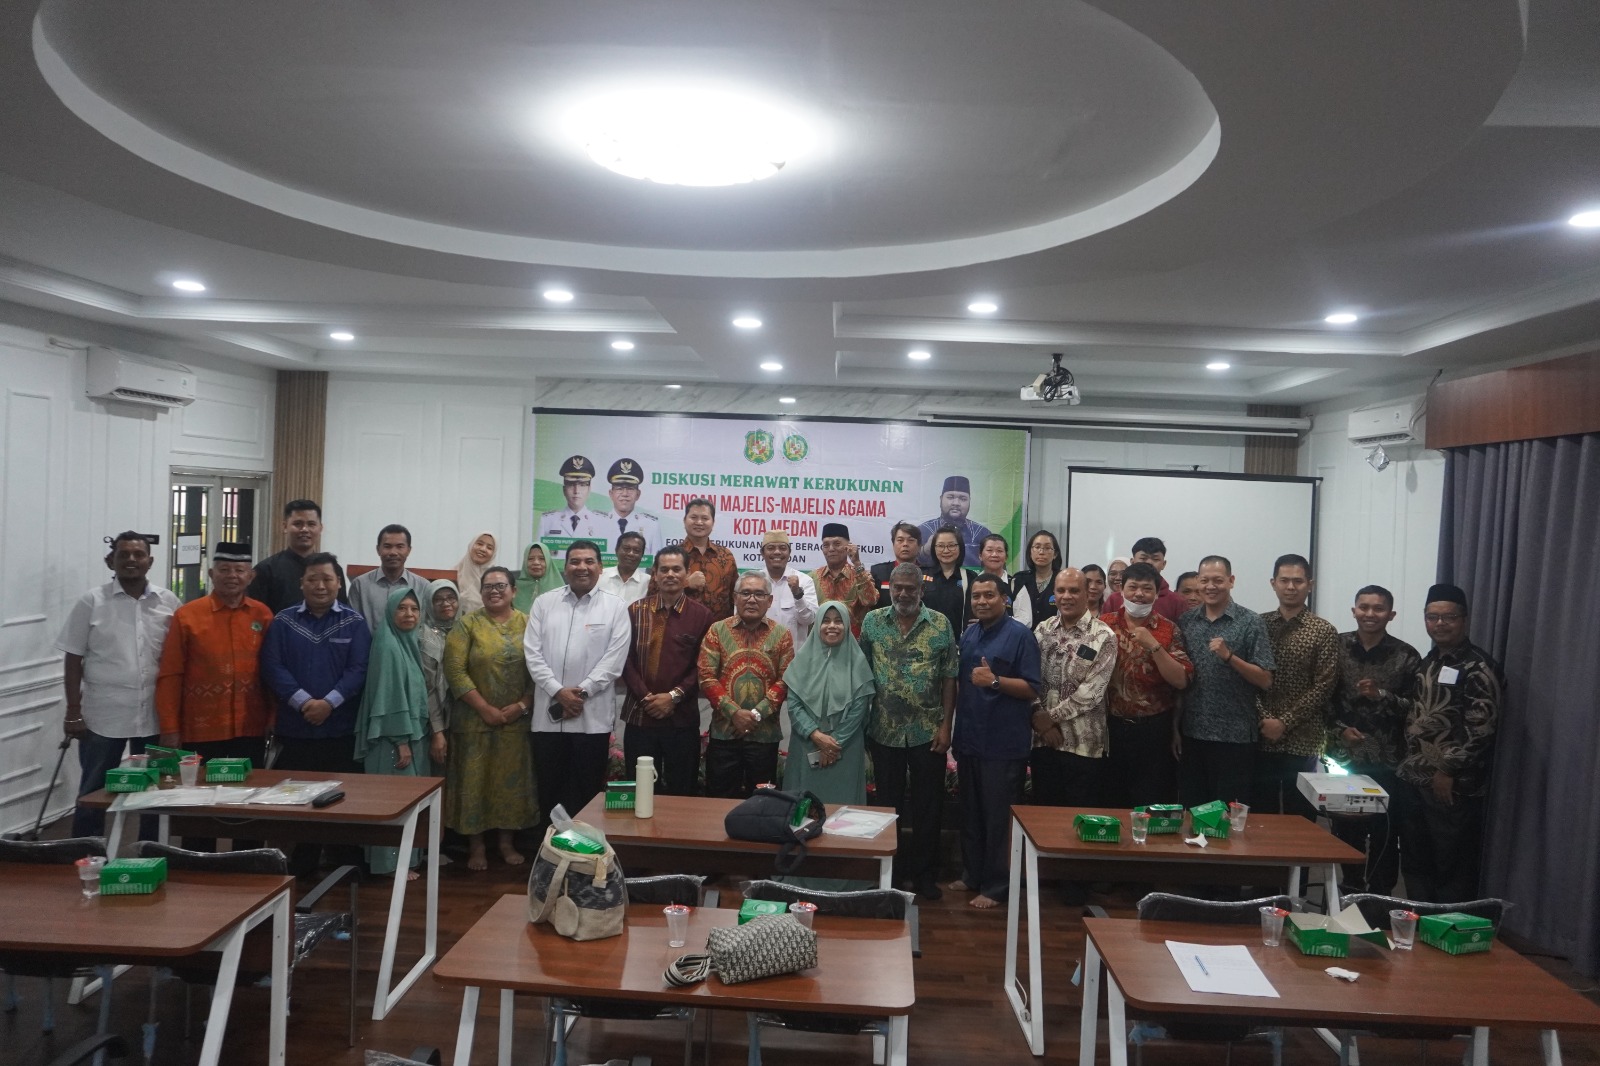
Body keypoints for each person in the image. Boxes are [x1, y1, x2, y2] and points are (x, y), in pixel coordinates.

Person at [59, 531, 180, 836]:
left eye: (138, 554)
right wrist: (73, 711)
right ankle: (86, 850)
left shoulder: (168, 602)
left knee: (155, 789)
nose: (131, 560)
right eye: (123, 554)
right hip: (103, 715)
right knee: (94, 789)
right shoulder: (91, 601)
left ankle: (149, 849)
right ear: (110, 560)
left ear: (150, 561)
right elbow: (73, 659)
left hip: (156, 715)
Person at [259, 552, 372, 876]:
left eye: (327, 579)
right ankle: (300, 864)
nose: (320, 586)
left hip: (340, 729)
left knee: (343, 797)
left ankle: (345, 863)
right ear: (302, 583)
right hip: (296, 729)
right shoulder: (283, 622)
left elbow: (359, 669)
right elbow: (272, 666)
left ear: (339, 583)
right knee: (297, 798)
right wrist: (304, 702)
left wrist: (329, 704)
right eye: (313, 579)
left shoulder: (354, 622)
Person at [1394, 584, 1503, 903]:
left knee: (1452, 865)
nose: (1440, 624)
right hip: (1414, 779)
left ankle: (1447, 927)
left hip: (1451, 786)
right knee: (1415, 861)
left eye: (1449, 617)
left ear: (1464, 620)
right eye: (1432, 617)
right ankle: (1419, 920)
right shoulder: (1429, 662)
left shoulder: (1478, 666)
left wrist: (1447, 769)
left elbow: (1482, 726)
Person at [861, 563, 959, 901]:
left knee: (928, 806)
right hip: (883, 729)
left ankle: (925, 875)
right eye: (898, 588)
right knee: (887, 806)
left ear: (922, 590)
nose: (903, 594)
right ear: (890, 588)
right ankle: (890, 872)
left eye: (910, 588)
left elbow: (949, 678)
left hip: (927, 731)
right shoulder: (873, 622)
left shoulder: (940, 624)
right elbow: (861, 672)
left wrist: (946, 726)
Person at [949, 572, 1041, 909]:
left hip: (1003, 744)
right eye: (976, 596)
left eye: (989, 595)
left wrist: (995, 681)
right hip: (970, 739)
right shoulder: (970, 634)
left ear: (1004, 599)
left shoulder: (1020, 636)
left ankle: (998, 886)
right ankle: (972, 875)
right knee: (971, 814)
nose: (982, 601)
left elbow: (1032, 688)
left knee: (999, 819)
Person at [525, 539, 631, 820]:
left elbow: (614, 660)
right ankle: (550, 847)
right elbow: (532, 654)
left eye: (589, 561)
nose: (581, 567)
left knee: (586, 796)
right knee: (549, 793)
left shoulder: (616, 607)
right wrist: (558, 692)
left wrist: (581, 693)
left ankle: (584, 848)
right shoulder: (544, 603)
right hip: (548, 721)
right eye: (575, 561)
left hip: (591, 721)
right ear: (565, 567)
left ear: (600, 567)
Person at [1327, 584, 1420, 895]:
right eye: (1364, 607)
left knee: (1385, 830)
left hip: (1388, 759)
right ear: (1353, 611)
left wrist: (1382, 695)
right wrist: (1339, 730)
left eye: (1378, 608)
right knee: (1345, 827)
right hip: (1344, 755)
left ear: (1391, 614)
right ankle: (1349, 887)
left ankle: (1380, 894)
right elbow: (1323, 697)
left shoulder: (1407, 655)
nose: (1370, 614)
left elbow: (1416, 709)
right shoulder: (1335, 646)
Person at [443, 564, 538, 870]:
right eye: (488, 587)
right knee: (475, 784)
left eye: (501, 586)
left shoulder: (529, 624)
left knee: (509, 784)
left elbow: (540, 670)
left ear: (514, 591)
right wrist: (485, 708)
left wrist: (522, 705)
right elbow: (455, 671)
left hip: (516, 722)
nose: (494, 591)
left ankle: (506, 843)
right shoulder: (467, 624)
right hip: (474, 721)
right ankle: (476, 846)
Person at [156, 541, 275, 766]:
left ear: (251, 576)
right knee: (198, 786)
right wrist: (169, 727)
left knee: (250, 785)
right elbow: (171, 674)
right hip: (200, 730)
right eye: (224, 569)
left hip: (251, 727)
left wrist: (273, 717)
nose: (232, 576)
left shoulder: (263, 615)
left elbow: (272, 671)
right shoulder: (187, 616)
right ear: (211, 574)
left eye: (239, 570)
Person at [1174, 555, 1275, 808]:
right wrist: (1175, 727)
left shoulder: (1251, 622)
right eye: (1204, 580)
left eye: (1218, 580)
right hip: (1193, 733)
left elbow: (1265, 680)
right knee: (1193, 811)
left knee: (1229, 816)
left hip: (1235, 737)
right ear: (1198, 581)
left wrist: (1230, 657)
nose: (1211, 586)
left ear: (1231, 581)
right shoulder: (1186, 621)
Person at [1251, 554, 1340, 819]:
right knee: (1260, 813)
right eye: (1284, 580)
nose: (1291, 587)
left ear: (1310, 585)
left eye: (1298, 581)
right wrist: (1265, 719)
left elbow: (1324, 685)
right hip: (1260, 734)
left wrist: (1284, 722)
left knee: (1300, 815)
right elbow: (1247, 678)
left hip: (1304, 738)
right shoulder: (1257, 625)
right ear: (1273, 583)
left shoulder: (1324, 630)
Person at [620, 545, 713, 796]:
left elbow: (704, 665)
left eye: (676, 569)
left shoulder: (702, 616)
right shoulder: (635, 611)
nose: (670, 574)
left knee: (681, 793)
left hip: (681, 720)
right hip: (640, 717)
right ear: (655, 574)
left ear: (687, 574)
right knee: (640, 791)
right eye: (664, 569)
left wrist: (673, 697)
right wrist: (646, 697)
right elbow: (624, 660)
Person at [354, 588, 433, 879]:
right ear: (389, 612)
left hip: (410, 736)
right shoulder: (387, 646)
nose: (409, 614)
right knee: (393, 803)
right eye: (402, 608)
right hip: (392, 739)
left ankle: (403, 861)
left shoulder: (407, 643)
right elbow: (389, 698)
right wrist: (401, 742)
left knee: (408, 801)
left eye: (414, 608)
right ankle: (389, 866)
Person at [1101, 562, 1192, 807]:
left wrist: (1154, 645)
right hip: (1111, 727)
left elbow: (1181, 680)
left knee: (1152, 800)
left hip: (1154, 730)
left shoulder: (1169, 629)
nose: (1139, 594)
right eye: (1133, 587)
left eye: (1146, 588)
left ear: (1156, 592)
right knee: (1111, 799)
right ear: (1121, 590)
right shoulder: (1104, 625)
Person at [698, 572, 795, 798]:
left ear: (770, 601)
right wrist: (734, 713)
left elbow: (786, 679)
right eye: (746, 593)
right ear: (735, 597)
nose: (752, 599)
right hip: (724, 733)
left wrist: (756, 714)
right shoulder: (717, 631)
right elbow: (706, 676)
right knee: (719, 800)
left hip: (764, 735)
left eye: (759, 594)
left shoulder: (782, 635)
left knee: (762, 802)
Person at [1029, 568, 1117, 807]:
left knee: (1078, 819)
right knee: (1043, 817)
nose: (1066, 596)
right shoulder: (1042, 630)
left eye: (1074, 591)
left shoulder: (1103, 636)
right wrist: (1037, 716)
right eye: (1061, 590)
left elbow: (1092, 691)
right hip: (1042, 742)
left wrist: (1049, 718)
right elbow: (1029, 677)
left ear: (1088, 593)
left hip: (1083, 746)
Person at [783, 602, 875, 806]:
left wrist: (833, 744)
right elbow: (794, 705)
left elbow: (859, 709)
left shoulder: (858, 663)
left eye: (838, 621)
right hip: (806, 744)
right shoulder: (802, 661)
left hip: (845, 748)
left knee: (844, 810)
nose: (832, 626)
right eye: (825, 621)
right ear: (817, 625)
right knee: (803, 808)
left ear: (847, 626)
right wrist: (816, 735)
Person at [248, 499, 347, 613]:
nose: (304, 529)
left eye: (311, 524)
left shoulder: (333, 570)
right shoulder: (266, 570)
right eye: (298, 524)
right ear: (285, 526)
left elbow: (342, 612)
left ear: (320, 528)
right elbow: (256, 615)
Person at [665, 497, 738, 622]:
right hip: (679, 628)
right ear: (684, 520)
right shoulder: (669, 556)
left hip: (719, 630)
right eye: (693, 517)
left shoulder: (726, 556)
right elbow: (654, 596)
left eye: (705, 518)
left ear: (713, 522)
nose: (699, 522)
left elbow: (735, 597)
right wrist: (685, 584)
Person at [348, 524, 432, 625]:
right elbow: (353, 626)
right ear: (378, 549)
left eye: (400, 546)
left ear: (409, 550)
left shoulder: (423, 587)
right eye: (387, 546)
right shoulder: (360, 585)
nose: (393, 552)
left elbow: (427, 626)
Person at [418, 578, 459, 771]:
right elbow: (429, 687)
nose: (446, 603)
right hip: (434, 721)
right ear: (428, 603)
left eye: (451, 598)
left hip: (462, 719)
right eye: (438, 599)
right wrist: (438, 731)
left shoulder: (465, 629)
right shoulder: (423, 635)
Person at [811, 522, 878, 636]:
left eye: (837, 544)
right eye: (826, 545)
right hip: (820, 641)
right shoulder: (812, 578)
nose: (831, 549)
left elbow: (870, 601)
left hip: (853, 642)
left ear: (849, 547)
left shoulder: (861, 575)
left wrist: (857, 563)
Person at [1103, 537, 1189, 622]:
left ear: (1163, 564)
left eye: (1155, 559)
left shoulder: (1176, 602)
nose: (1149, 562)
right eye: (1143, 558)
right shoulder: (1114, 599)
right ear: (1132, 562)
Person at [916, 476, 993, 567]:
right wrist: (925, 551)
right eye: (950, 497)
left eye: (963, 499)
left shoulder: (982, 534)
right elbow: (909, 566)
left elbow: (995, 569)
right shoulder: (923, 531)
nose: (956, 503)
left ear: (969, 501)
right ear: (941, 499)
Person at [760, 529, 818, 646]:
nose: (777, 552)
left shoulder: (804, 581)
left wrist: (797, 594)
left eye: (782, 548)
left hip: (794, 654)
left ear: (789, 552)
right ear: (762, 553)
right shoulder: (753, 582)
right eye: (771, 548)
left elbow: (809, 620)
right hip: (761, 653)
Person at [537, 454, 610, 540]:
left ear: (589, 489)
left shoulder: (601, 522)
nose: (576, 491)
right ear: (564, 490)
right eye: (571, 485)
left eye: (582, 485)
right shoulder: (548, 521)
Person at [923, 525, 975, 640]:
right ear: (934, 548)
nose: (946, 550)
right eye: (940, 546)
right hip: (926, 643)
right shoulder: (922, 575)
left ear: (960, 547)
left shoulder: (971, 578)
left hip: (960, 643)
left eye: (951, 545)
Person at [605, 458, 662, 559]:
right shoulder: (598, 523)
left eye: (630, 488)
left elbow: (656, 563)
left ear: (638, 494)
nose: (625, 494)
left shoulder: (651, 526)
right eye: (619, 488)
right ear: (611, 494)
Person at [1010, 530, 1061, 630]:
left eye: (1047, 548)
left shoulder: (1062, 579)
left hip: (1055, 636)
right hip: (1024, 636)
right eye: (1037, 547)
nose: (1041, 552)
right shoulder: (1019, 579)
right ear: (1030, 552)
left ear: (1055, 554)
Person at [872, 522, 925, 609]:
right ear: (893, 544)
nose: (905, 544)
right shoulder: (878, 572)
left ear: (919, 546)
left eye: (911, 540)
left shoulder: (930, 573)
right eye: (900, 540)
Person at [596, 530, 650, 606]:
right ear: (616, 550)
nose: (631, 554)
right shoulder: (599, 576)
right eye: (626, 549)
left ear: (642, 555)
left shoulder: (648, 583)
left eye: (636, 550)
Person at [454, 531, 498, 615]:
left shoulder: (497, 581)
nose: (483, 549)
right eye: (479, 544)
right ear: (471, 546)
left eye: (489, 548)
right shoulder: (451, 576)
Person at [511, 542, 562, 613]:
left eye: (542, 558)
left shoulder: (560, 590)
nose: (536, 562)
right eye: (530, 559)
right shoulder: (513, 589)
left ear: (548, 561)